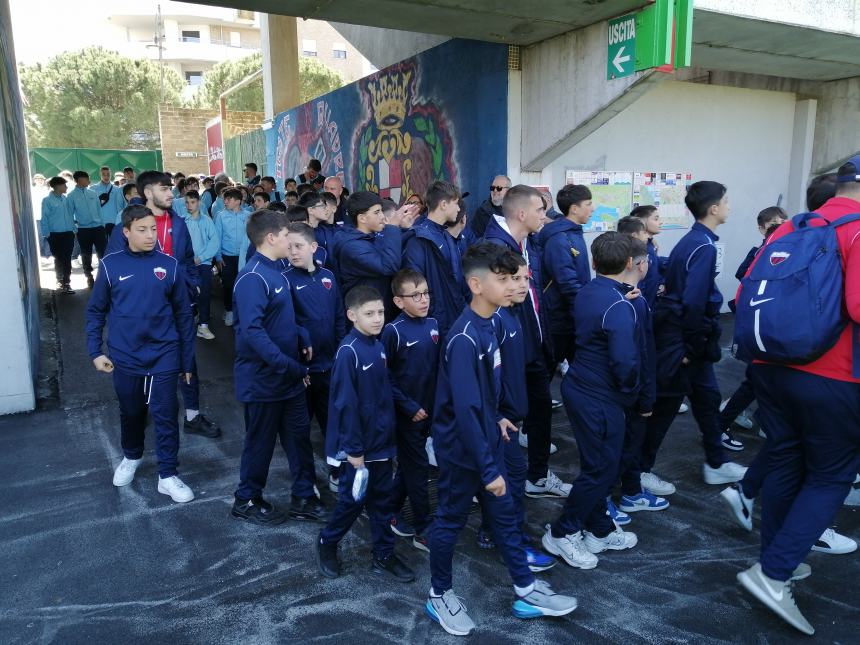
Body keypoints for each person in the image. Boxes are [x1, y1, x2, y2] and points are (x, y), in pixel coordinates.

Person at [733, 157, 860, 635]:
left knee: (786, 458)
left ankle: (776, 558)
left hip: (769, 367)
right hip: (834, 375)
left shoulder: (790, 229)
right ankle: (774, 573)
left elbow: (747, 290)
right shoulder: (857, 231)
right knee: (832, 474)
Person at [427, 242, 577, 636]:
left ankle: (525, 587)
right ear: (476, 284)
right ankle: (439, 594)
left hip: (487, 439)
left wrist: (498, 418)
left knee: (506, 515)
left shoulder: (492, 322)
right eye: (504, 279)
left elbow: (482, 397)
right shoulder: (463, 338)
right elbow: (466, 410)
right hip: (464, 451)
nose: (514, 286)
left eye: (517, 278)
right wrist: (488, 467)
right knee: (449, 520)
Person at [541, 233, 645, 570]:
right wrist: (631, 393)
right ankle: (562, 531)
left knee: (598, 466)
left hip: (581, 387)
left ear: (594, 262)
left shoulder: (590, 291)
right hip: (600, 395)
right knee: (602, 469)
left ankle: (598, 528)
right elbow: (626, 363)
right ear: (630, 263)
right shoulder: (619, 306)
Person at [85, 204, 196, 503]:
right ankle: (132, 456)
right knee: (132, 411)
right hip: (125, 355)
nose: (150, 235)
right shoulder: (110, 265)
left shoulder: (169, 265)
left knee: (165, 413)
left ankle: (168, 475)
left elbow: (184, 316)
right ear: (126, 232)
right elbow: (96, 311)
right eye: (142, 229)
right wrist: (95, 351)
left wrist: (187, 361)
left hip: (164, 352)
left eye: (153, 229)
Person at [644, 181, 747, 490]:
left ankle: (715, 461)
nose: (729, 206)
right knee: (664, 409)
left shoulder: (693, 241)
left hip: (687, 340)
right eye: (726, 201)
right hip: (685, 342)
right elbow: (693, 302)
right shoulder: (702, 246)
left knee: (706, 399)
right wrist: (693, 346)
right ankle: (638, 470)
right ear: (713, 208)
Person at [106, 170, 220, 440]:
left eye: (171, 188)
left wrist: (193, 287)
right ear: (147, 193)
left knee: (187, 360)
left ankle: (192, 415)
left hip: (177, 309)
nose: (172, 193)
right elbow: (111, 267)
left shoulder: (178, 224)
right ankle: (143, 410)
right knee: (143, 362)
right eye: (164, 188)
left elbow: (189, 259)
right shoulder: (127, 225)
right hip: (141, 314)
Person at [231, 210, 327, 525]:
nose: (291, 241)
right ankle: (246, 499)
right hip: (264, 381)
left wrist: (302, 337)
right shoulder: (252, 277)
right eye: (287, 235)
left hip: (288, 379)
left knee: (298, 438)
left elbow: (284, 316)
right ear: (272, 238)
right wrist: (288, 365)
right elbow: (253, 332)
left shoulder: (277, 272)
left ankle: (304, 496)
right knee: (260, 443)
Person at [316, 285, 415, 583]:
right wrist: (354, 451)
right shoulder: (349, 352)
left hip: (382, 444)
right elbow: (346, 406)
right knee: (352, 502)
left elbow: (383, 392)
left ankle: (383, 554)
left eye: (381, 312)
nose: (377, 319)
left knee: (382, 502)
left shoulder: (378, 345)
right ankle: (327, 542)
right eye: (369, 313)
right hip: (359, 450)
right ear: (351, 315)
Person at [484, 185, 570, 499]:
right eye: (539, 211)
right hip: (511, 348)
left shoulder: (526, 242)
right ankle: (499, 488)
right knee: (508, 415)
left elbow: (534, 297)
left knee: (539, 407)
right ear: (522, 214)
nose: (544, 217)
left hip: (532, 342)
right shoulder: (495, 247)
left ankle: (536, 476)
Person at [476, 255, 556, 571]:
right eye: (513, 279)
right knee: (509, 482)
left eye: (525, 279)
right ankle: (514, 545)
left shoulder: (516, 312)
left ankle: (492, 531)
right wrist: (496, 415)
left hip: (509, 416)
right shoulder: (491, 321)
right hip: (499, 420)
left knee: (506, 481)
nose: (521, 285)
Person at [282, 222, 346, 492]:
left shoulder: (329, 277)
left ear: (313, 247)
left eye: (298, 246)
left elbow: (340, 318)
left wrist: (342, 353)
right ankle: (305, 480)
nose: (293, 252)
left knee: (333, 422)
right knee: (299, 429)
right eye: (289, 247)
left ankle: (337, 471)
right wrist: (298, 365)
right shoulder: (284, 279)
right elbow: (285, 325)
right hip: (303, 372)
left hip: (330, 366)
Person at [718, 206, 788, 451]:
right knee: (759, 379)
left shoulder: (789, 251)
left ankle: (732, 417)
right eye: (773, 225)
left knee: (759, 380)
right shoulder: (761, 252)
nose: (780, 228)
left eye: (783, 222)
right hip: (765, 327)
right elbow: (742, 275)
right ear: (762, 229)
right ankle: (730, 420)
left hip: (770, 327)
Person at [381, 269, 440, 550]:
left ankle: (387, 509)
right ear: (398, 301)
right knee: (417, 471)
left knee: (409, 467)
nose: (423, 299)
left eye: (426, 293)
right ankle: (423, 528)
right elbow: (385, 377)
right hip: (407, 416)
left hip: (429, 411)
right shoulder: (392, 332)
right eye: (415, 295)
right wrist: (408, 406)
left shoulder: (433, 325)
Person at [613, 217, 668, 518]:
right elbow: (637, 356)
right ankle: (627, 493)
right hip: (629, 393)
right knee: (628, 442)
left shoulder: (601, 294)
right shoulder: (634, 302)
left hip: (613, 392)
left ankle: (629, 489)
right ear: (639, 264)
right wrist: (646, 397)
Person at [402, 180, 468, 339]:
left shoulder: (447, 235)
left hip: (454, 320)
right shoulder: (418, 238)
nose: (459, 208)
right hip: (433, 326)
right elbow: (413, 286)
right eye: (456, 203)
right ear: (443, 204)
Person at [332, 191, 412, 319]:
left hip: (379, 311)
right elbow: (389, 266)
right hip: (365, 316)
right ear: (362, 218)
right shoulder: (351, 246)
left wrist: (406, 229)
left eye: (381, 211)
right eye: (377, 212)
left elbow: (389, 248)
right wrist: (392, 227)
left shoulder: (370, 236)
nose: (382, 216)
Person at [539, 184, 593, 366]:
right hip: (560, 319)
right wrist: (586, 309)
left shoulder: (573, 232)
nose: (592, 208)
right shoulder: (559, 238)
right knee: (548, 368)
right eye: (589, 204)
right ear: (574, 209)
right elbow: (567, 282)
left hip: (572, 315)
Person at [182, 190, 220, 341]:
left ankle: (203, 326)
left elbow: (215, 242)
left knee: (204, 293)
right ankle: (192, 318)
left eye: (192, 202)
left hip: (203, 263)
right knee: (187, 294)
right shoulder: (182, 221)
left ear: (198, 202)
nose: (189, 205)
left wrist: (202, 257)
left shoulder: (207, 221)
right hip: (186, 264)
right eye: (186, 202)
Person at [215, 187, 250, 327]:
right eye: (225, 199)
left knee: (243, 284)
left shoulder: (248, 215)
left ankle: (241, 311)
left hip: (244, 256)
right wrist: (218, 257)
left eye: (229, 199)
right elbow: (217, 237)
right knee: (228, 285)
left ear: (238, 201)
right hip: (227, 256)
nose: (225, 201)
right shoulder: (221, 215)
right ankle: (229, 310)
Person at [66, 170, 106, 289]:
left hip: (98, 228)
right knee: (86, 253)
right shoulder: (71, 196)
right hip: (83, 229)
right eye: (86, 178)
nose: (89, 181)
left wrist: (102, 224)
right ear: (78, 181)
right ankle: (89, 276)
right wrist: (74, 228)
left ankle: (104, 276)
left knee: (102, 253)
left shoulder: (93, 193)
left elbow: (99, 210)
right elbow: (69, 214)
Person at [40, 176, 76, 294]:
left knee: (66, 258)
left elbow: (70, 216)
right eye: (64, 185)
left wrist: (73, 229)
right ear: (57, 186)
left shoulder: (65, 199)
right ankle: (59, 279)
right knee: (59, 258)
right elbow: (44, 218)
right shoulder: (47, 200)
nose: (66, 187)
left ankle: (66, 282)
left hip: (68, 233)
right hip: (54, 234)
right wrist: (47, 234)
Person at [629, 205, 665, 308]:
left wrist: (662, 282)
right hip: (642, 305)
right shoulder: (637, 248)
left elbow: (655, 267)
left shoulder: (651, 244)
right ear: (641, 221)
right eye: (656, 219)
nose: (660, 222)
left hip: (652, 303)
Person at [92, 166, 122, 236]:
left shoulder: (117, 189)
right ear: (100, 175)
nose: (106, 176)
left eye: (108, 174)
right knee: (102, 245)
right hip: (100, 222)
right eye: (103, 174)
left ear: (111, 174)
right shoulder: (93, 189)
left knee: (114, 244)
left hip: (114, 221)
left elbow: (120, 205)